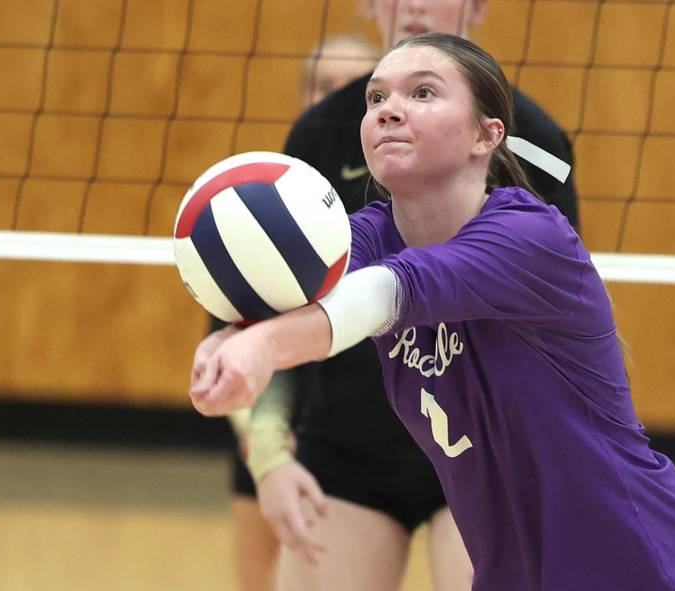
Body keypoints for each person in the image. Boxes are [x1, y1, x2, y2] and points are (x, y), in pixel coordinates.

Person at [191, 32, 675, 591]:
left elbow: (386, 294)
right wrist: (228, 338)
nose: (389, 111)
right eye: (376, 99)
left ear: (486, 135)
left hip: (643, 569)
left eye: (422, 93)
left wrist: (259, 348)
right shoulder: (366, 235)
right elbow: (294, 290)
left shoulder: (530, 235)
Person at [238, 1, 578, 590]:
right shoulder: (321, 131)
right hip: (350, 446)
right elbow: (279, 306)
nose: (415, 3)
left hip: (490, 450)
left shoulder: (536, 142)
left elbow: (557, 329)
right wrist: (268, 459)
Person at [223, 34, 379, 591]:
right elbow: (232, 343)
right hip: (283, 418)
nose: (337, 97)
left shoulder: (395, 203)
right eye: (323, 85)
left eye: (356, 86)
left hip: (370, 431)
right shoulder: (257, 213)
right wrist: (266, 446)